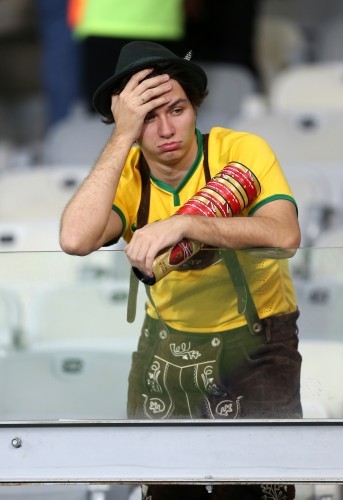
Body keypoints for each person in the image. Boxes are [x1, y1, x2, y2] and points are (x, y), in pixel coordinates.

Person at [60, 41, 302, 500]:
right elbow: (75, 239)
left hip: (258, 339)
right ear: (128, 124)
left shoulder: (239, 149)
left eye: (177, 109)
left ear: (196, 107)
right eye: (148, 117)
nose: (167, 129)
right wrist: (120, 138)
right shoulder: (127, 173)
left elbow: (284, 233)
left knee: (257, 492)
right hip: (169, 339)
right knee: (168, 490)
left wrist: (187, 223)